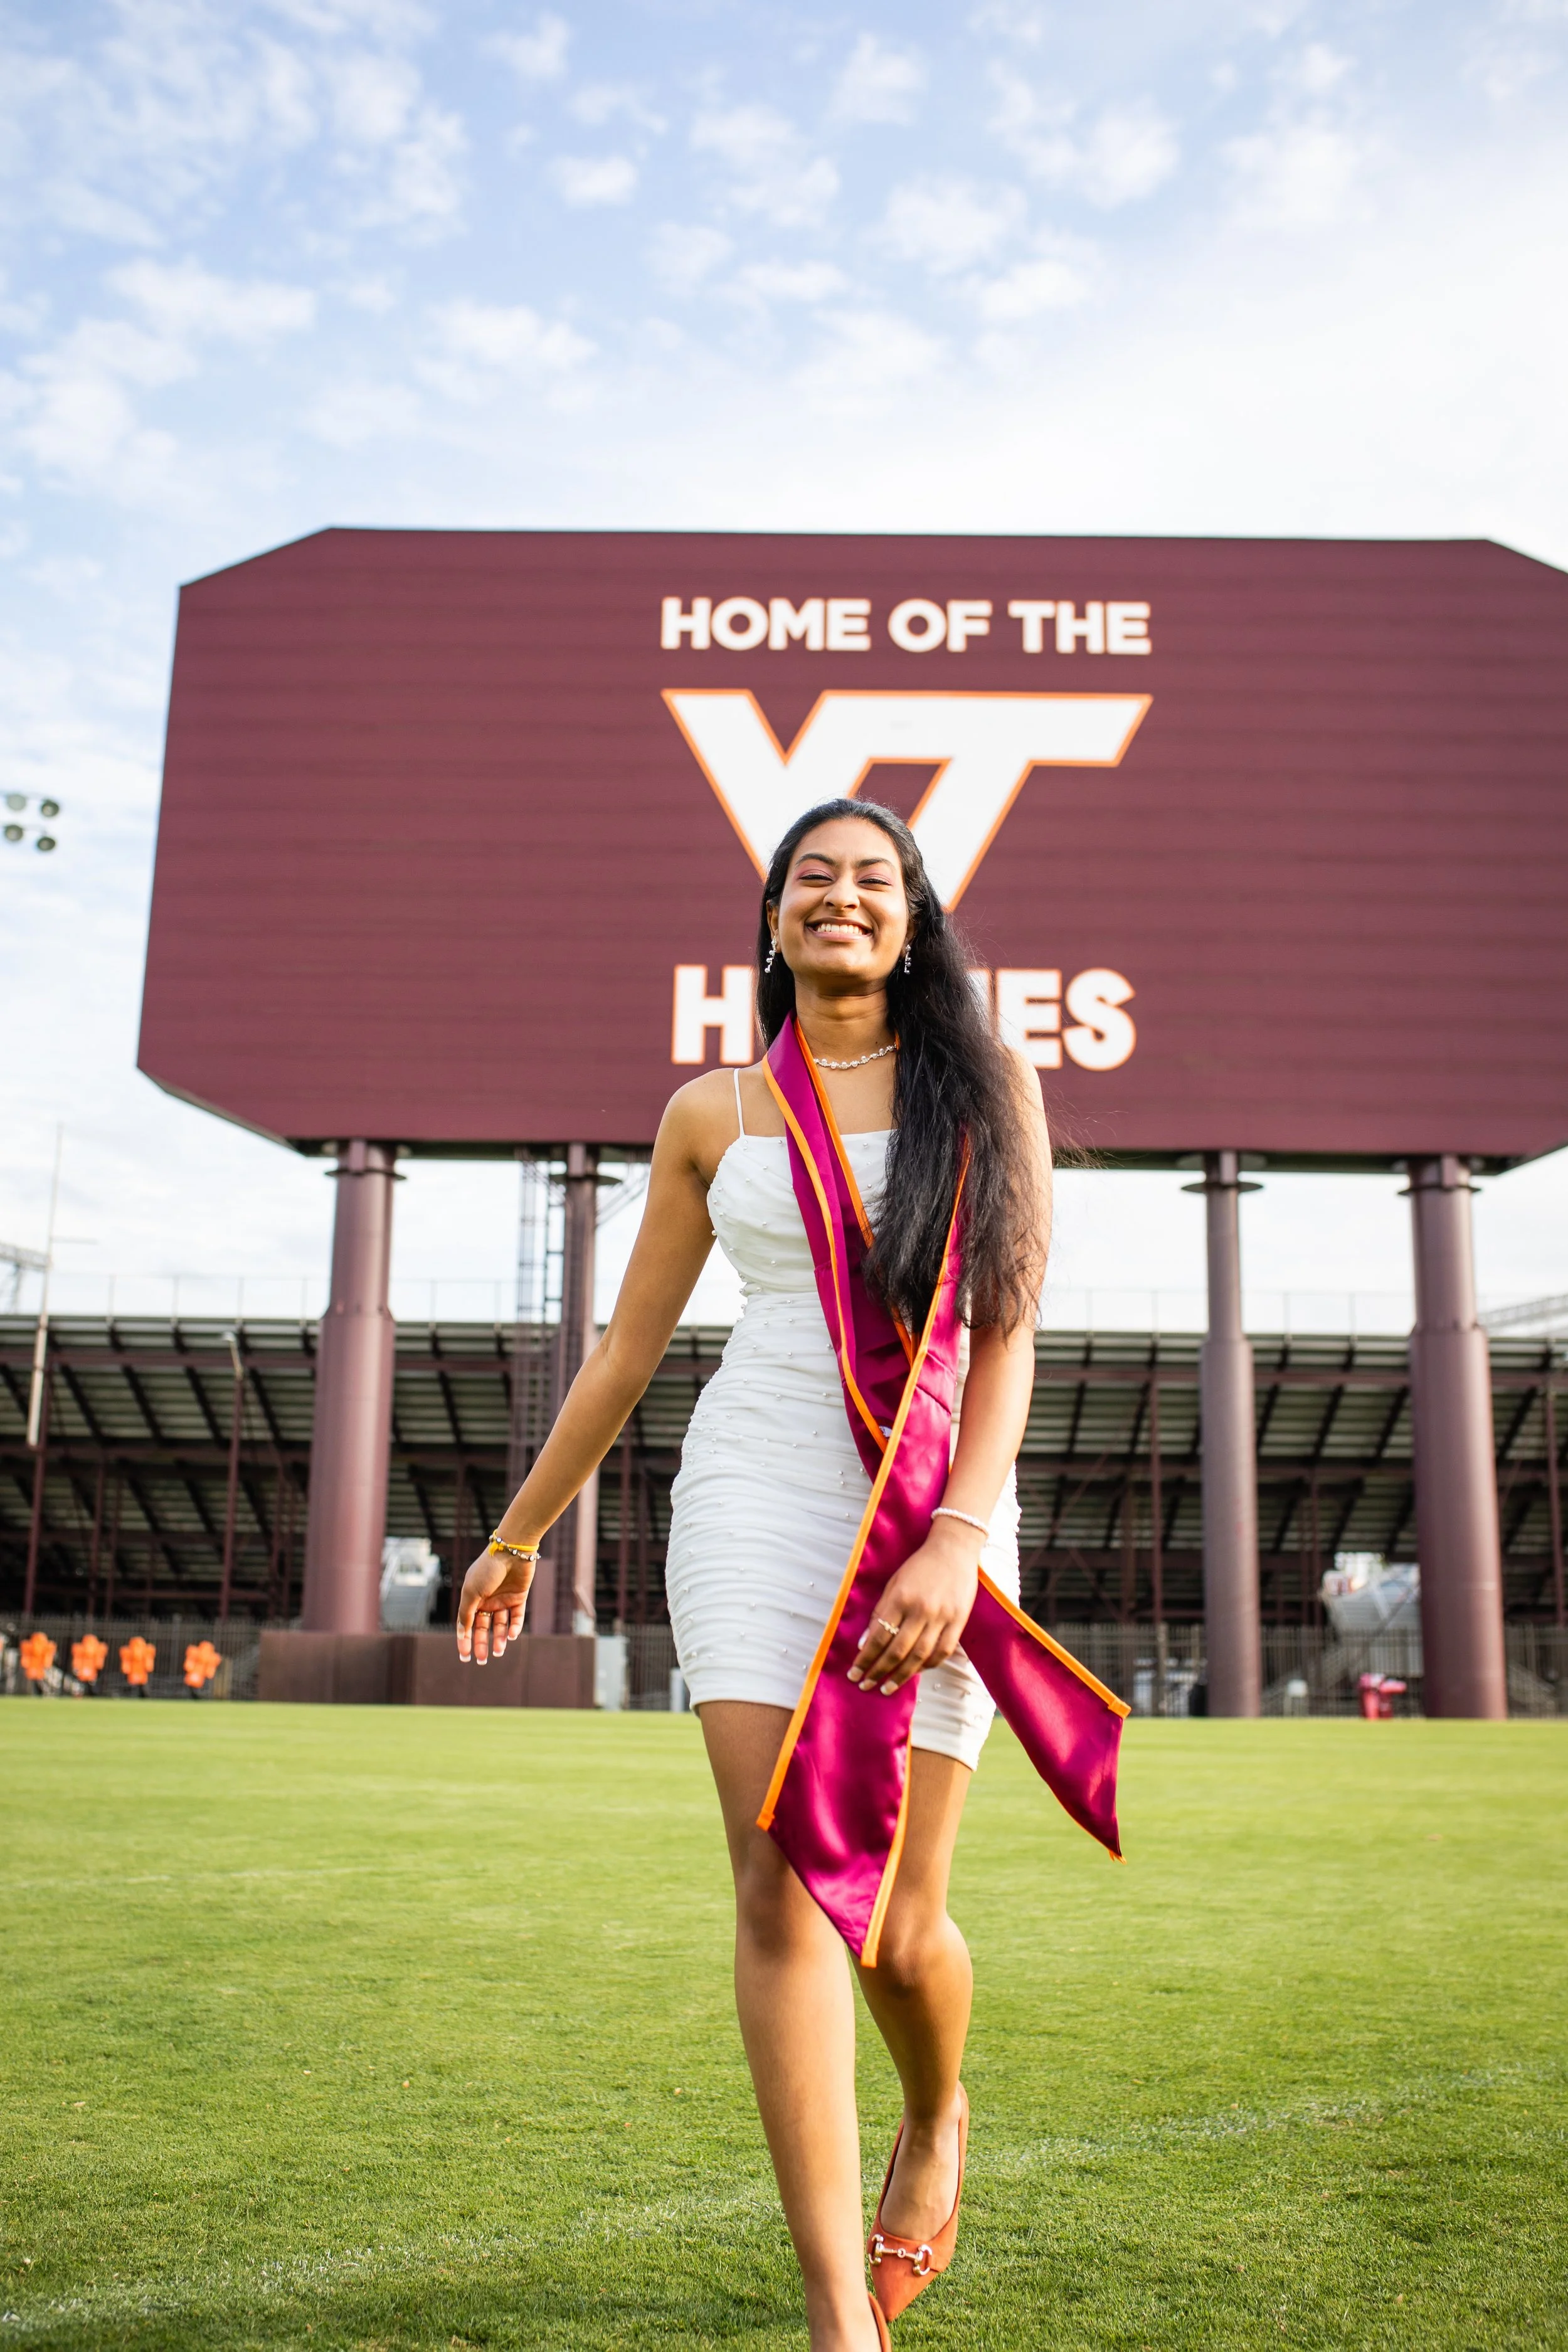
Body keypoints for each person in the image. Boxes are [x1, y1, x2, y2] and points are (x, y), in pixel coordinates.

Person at [457, 798, 1052, 2350]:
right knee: (783, 1882)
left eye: (872, 879)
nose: (839, 898)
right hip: (751, 1486)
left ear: (911, 921)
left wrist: (956, 1536)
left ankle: (936, 2116)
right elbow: (625, 1352)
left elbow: (1005, 1333)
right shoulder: (713, 1111)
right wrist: (519, 1530)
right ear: (774, 921)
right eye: (811, 879)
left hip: (935, 1506)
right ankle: (835, 2315)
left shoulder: (986, 1090)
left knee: (902, 1929)